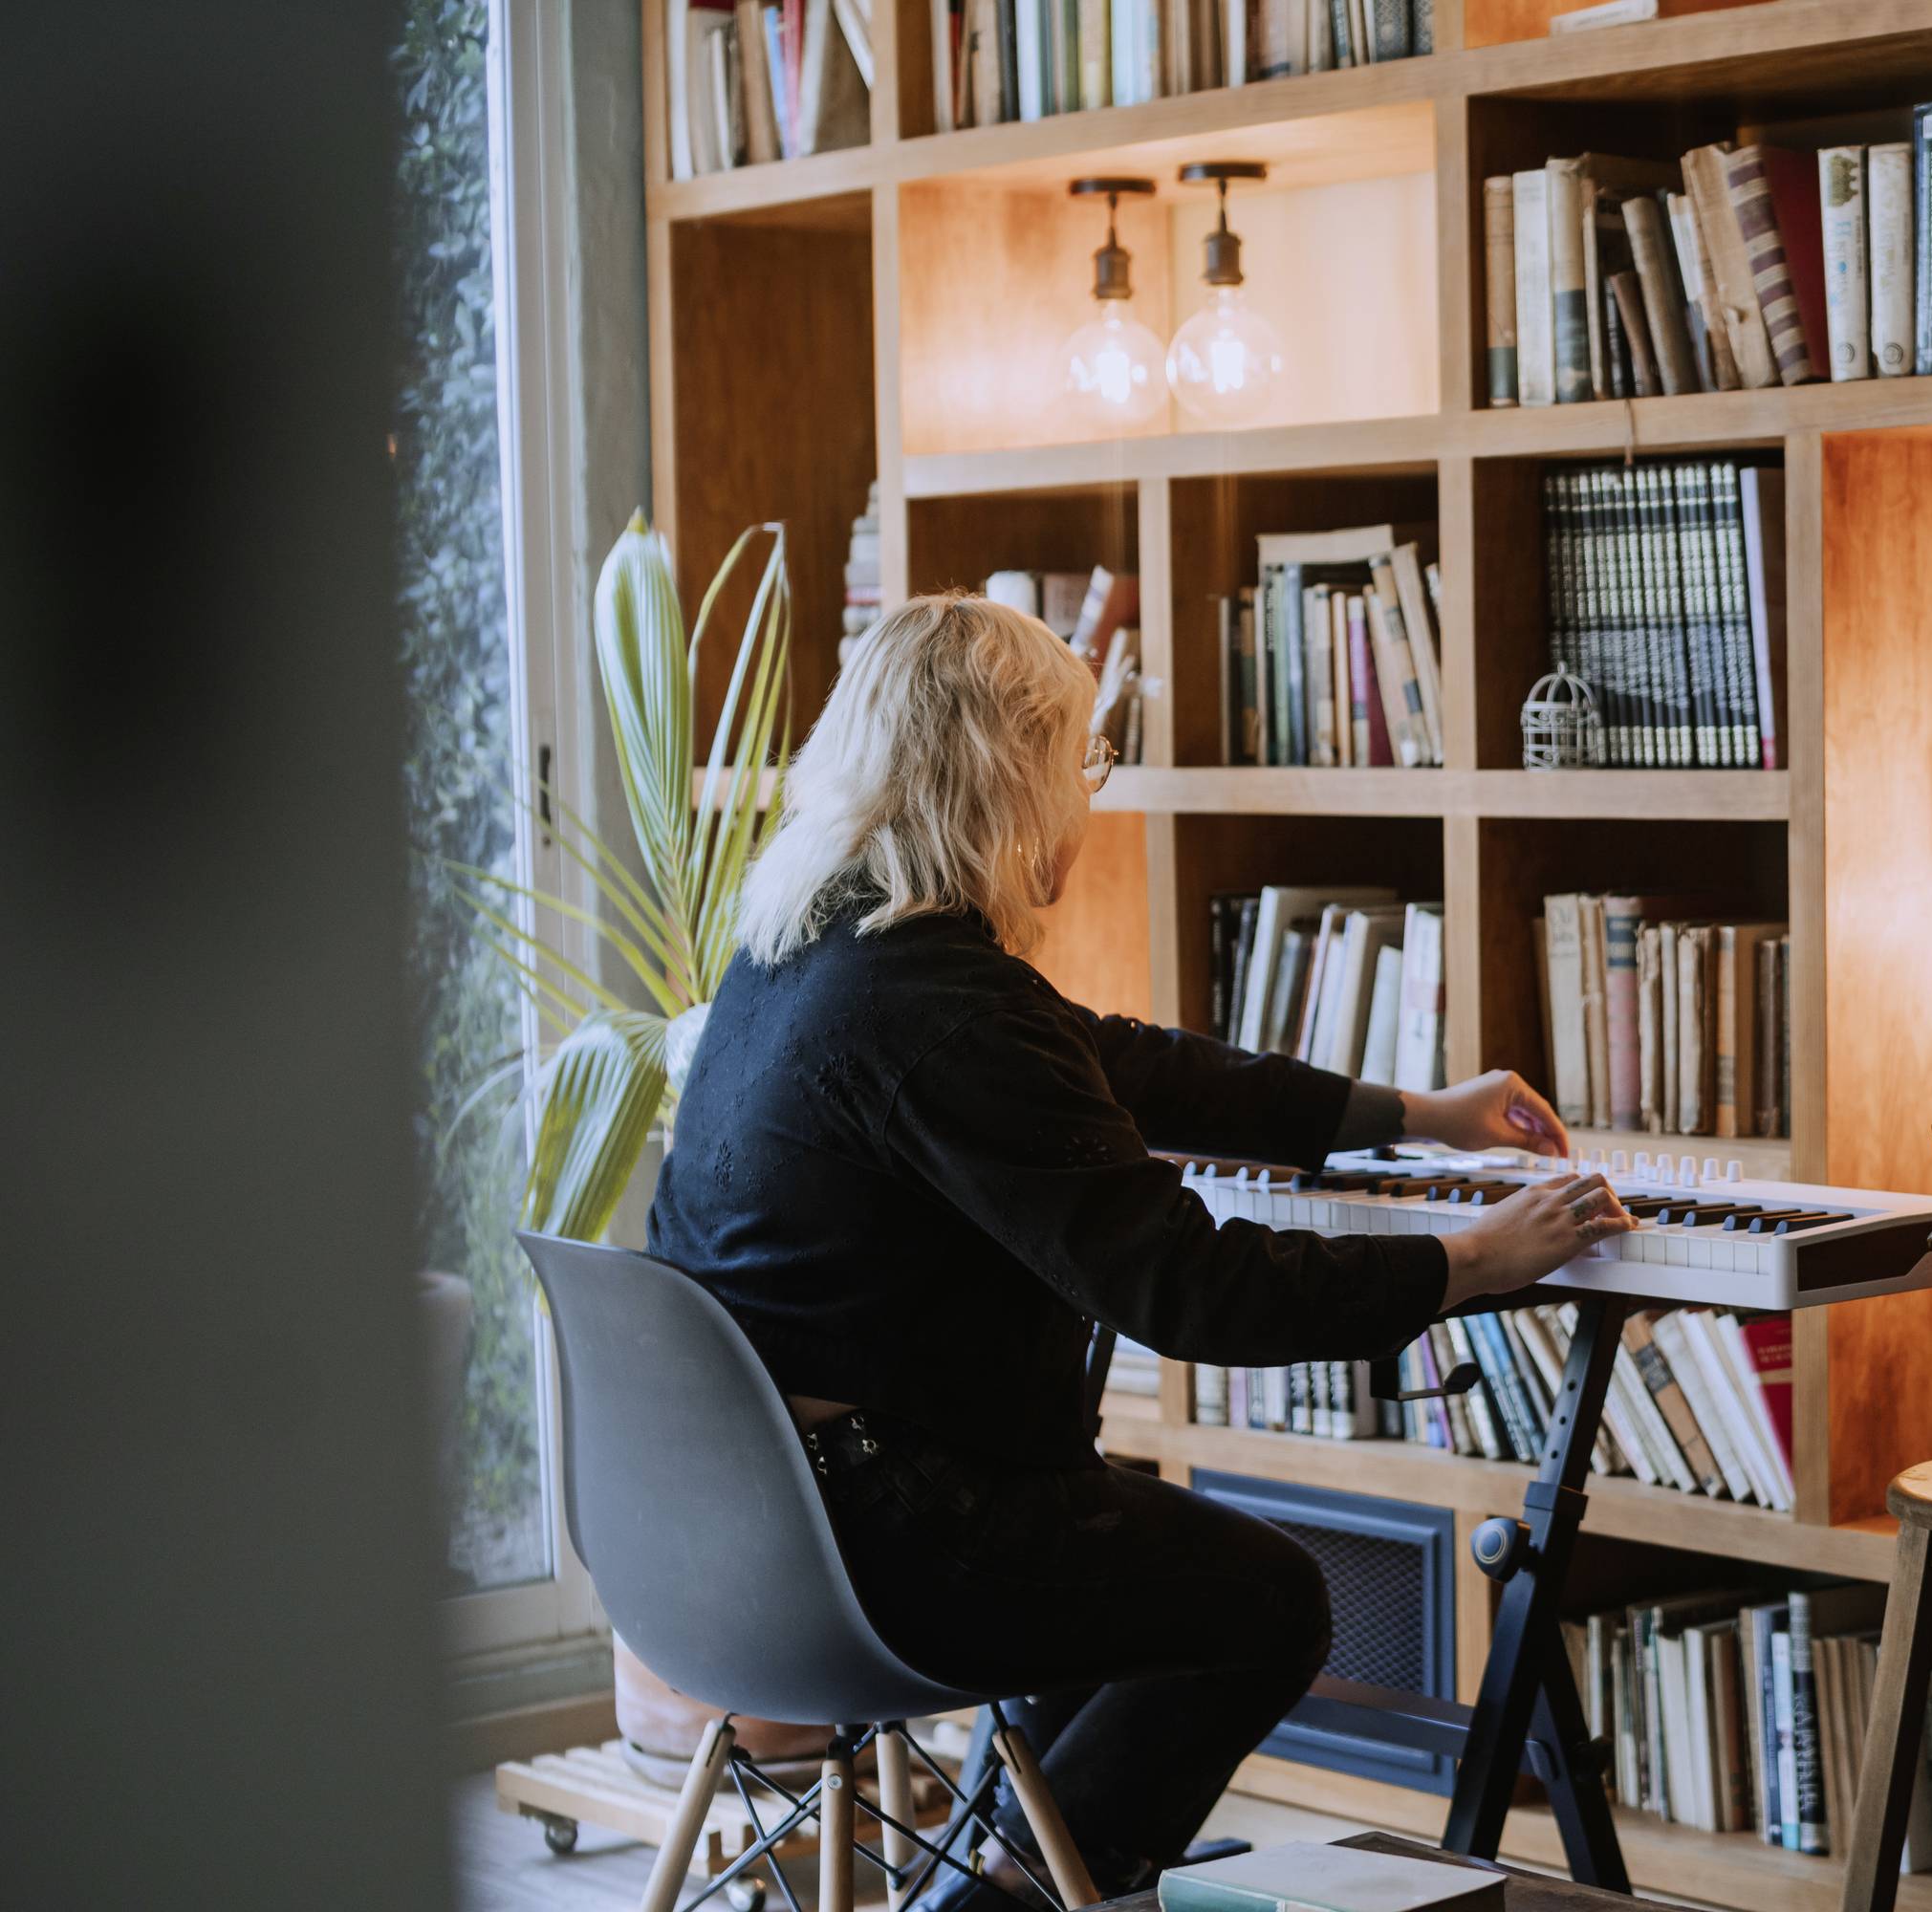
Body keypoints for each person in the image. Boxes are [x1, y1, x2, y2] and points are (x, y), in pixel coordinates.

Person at [648, 591, 1634, 1908]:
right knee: (1267, 1603)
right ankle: (1015, 1901)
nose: (1086, 797)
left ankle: (1034, 1873)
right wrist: (1470, 1264)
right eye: (1082, 759)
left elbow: (1120, 1064)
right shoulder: (938, 1007)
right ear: (1010, 772)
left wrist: (1412, 1113)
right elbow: (1194, 1290)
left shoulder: (807, 946)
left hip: (714, 1534)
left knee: (1098, 1530)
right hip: (869, 1546)